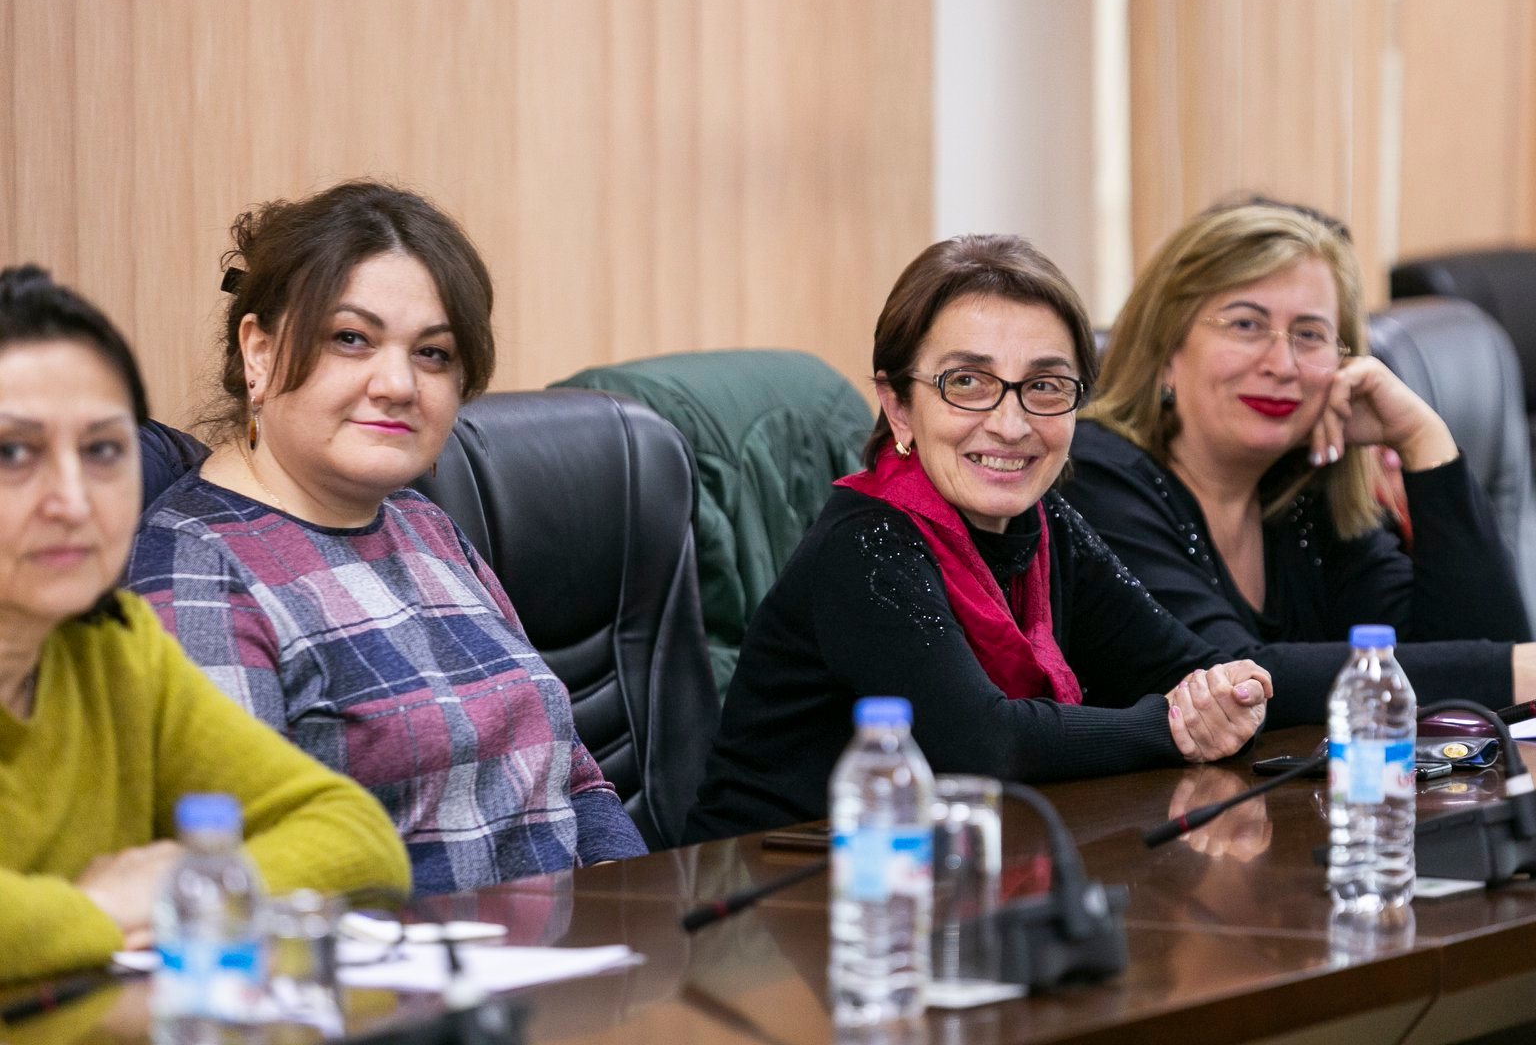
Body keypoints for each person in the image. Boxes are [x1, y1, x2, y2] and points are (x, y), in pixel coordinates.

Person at [127, 182, 644, 896]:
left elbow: (575, 781)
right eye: (351, 339)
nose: (398, 383)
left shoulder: (425, 527)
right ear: (260, 352)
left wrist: (639, 906)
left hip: (579, 949)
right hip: (401, 965)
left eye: (433, 353)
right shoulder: (196, 577)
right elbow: (240, 881)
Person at [685, 235, 1273, 843]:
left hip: (949, 864)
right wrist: (1175, 726)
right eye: (966, 382)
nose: (1011, 425)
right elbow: (985, 744)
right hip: (771, 878)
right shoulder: (865, 545)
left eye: (1045, 385)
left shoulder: (1045, 524)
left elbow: (1183, 665)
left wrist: (1232, 697)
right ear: (899, 407)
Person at [1066, 197, 1536, 728]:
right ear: (1167, 351)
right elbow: (1228, 679)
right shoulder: (1096, 475)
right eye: (1246, 325)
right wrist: (1504, 672)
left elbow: (1475, 647)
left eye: (1310, 334)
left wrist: (1423, 440)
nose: (1282, 364)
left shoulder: (1305, 491)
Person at [0, 265, 408, 982]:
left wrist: (165, 892)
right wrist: (98, 911)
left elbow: (359, 841)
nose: (73, 500)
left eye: (102, 450)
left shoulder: (115, 647)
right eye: (12, 453)